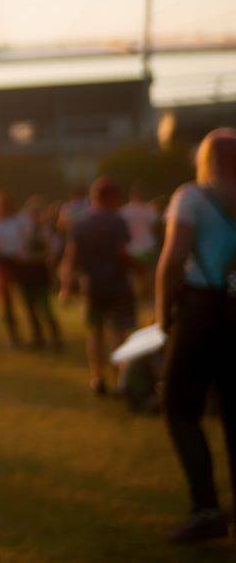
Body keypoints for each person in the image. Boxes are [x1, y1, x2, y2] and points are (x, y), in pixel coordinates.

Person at [154, 129, 236, 544]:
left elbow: (172, 262)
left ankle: (205, 510)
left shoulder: (192, 196)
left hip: (202, 311)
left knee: (179, 407)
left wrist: (161, 315)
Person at [60, 178, 135, 396]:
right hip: (118, 284)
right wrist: (139, 267)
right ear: (111, 198)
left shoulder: (81, 224)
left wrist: (66, 285)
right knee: (119, 332)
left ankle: (97, 377)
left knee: (95, 333)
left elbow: (71, 257)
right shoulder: (117, 221)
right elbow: (122, 252)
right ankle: (121, 378)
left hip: (92, 286)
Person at [13, 197, 62, 351]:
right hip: (26, 274)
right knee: (29, 308)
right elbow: (21, 253)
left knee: (45, 307)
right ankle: (37, 337)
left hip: (40, 274)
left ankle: (55, 338)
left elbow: (51, 253)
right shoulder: (23, 229)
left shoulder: (46, 230)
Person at [0, 190, 27, 348]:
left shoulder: (17, 221)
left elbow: (22, 239)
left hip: (17, 260)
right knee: (6, 300)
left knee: (23, 297)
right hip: (0, 261)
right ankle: (13, 335)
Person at [121, 185, 159, 318]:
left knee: (133, 281)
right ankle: (151, 312)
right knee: (149, 280)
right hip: (147, 248)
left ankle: (135, 309)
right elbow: (154, 226)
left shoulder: (124, 211)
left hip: (131, 250)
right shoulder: (148, 209)